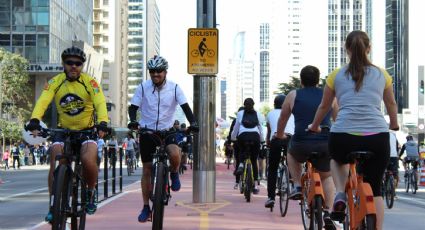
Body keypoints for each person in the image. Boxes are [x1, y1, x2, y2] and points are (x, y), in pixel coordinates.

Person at [308, 31, 399, 230]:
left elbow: (324, 107)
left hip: (343, 136)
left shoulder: (336, 75)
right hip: (377, 136)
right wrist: (394, 123)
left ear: (346, 49)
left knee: (338, 160)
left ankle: (340, 192)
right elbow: (391, 103)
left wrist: (314, 126)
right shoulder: (382, 74)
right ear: (369, 48)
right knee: (375, 190)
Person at [25, 46, 110, 222]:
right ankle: (53, 203)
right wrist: (35, 119)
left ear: (82, 66)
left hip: (87, 131)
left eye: (78, 63)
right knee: (56, 158)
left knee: (88, 160)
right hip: (63, 131)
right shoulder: (56, 81)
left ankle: (90, 192)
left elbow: (100, 102)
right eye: (69, 63)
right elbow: (43, 100)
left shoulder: (90, 82)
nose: (73, 66)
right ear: (63, 64)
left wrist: (103, 122)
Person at [127, 55, 199, 223]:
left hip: (167, 132)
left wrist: (193, 123)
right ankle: (146, 207)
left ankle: (174, 173)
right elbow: (133, 108)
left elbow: (186, 108)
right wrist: (133, 121)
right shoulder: (143, 87)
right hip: (147, 131)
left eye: (159, 71)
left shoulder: (174, 88)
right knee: (146, 169)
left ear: (165, 71)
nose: (155, 74)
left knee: (175, 154)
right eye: (152, 71)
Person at [275, 66, 337, 229]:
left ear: (301, 80)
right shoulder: (330, 95)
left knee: (291, 153)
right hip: (325, 141)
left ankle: (296, 185)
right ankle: (328, 213)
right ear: (318, 80)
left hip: (301, 142)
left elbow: (282, 118)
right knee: (326, 176)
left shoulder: (293, 95)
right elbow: (338, 118)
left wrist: (280, 134)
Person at [264, 94, 295, 208]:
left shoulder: (270, 113)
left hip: (276, 139)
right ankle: (292, 185)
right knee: (292, 163)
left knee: (272, 168)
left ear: (274, 104)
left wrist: (268, 141)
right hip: (290, 139)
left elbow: (269, 130)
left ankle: (271, 198)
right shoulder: (292, 114)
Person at [231, 98, 264, 194]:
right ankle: (255, 184)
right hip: (255, 137)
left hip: (243, 136)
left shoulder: (240, 114)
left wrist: (233, 138)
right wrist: (261, 140)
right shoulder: (258, 114)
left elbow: (236, 127)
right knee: (254, 160)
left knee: (242, 151)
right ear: (253, 104)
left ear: (244, 105)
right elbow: (260, 128)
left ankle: (241, 164)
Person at [226, 107, 244, 189]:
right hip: (252, 141)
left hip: (237, 142)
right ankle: (254, 182)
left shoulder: (236, 120)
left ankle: (237, 182)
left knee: (238, 160)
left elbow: (231, 132)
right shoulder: (252, 117)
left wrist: (229, 142)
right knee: (252, 159)